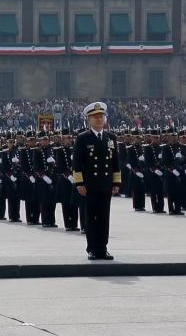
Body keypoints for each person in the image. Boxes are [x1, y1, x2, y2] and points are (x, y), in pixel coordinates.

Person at [73, 102, 120, 261]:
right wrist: (79, 183)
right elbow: (77, 163)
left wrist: (116, 183)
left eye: (101, 116)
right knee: (91, 218)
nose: (99, 119)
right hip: (90, 185)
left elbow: (115, 163)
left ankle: (103, 248)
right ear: (89, 120)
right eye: (95, 117)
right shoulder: (83, 138)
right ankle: (92, 248)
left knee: (104, 217)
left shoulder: (111, 137)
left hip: (106, 184)